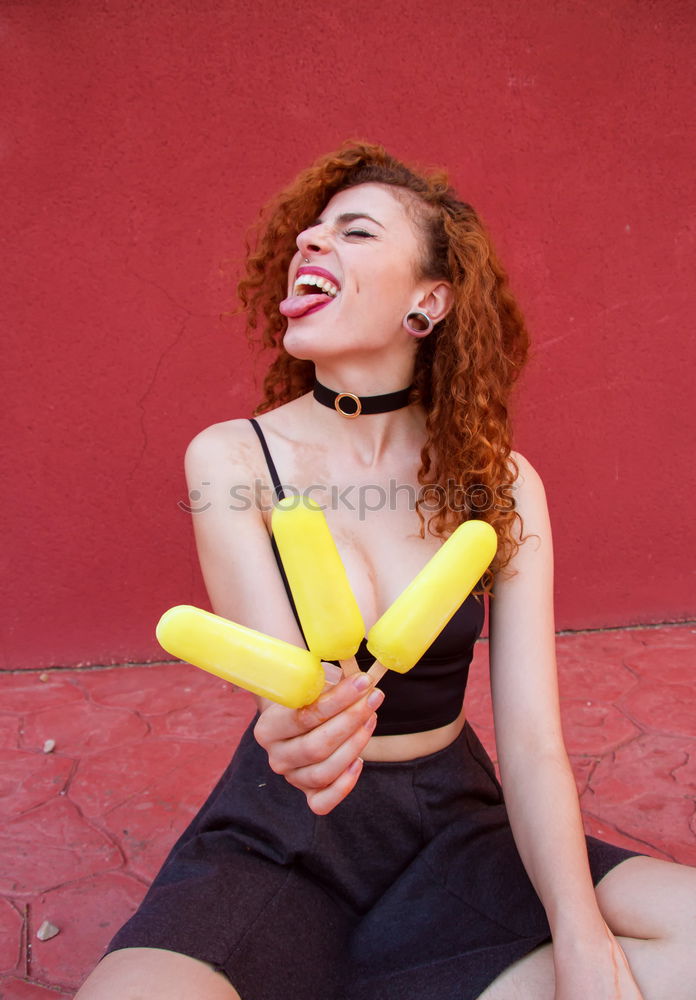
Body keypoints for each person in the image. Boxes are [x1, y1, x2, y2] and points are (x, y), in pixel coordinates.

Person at [76, 142, 696, 1000]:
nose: (309, 245)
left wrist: (579, 935)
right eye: (307, 234)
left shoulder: (501, 483)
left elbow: (531, 740)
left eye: (354, 231)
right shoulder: (234, 459)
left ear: (428, 302)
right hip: (289, 824)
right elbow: (284, 694)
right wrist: (298, 731)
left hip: (456, 823)